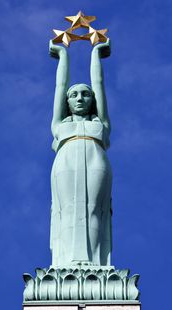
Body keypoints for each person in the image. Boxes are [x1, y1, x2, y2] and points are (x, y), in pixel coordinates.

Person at [49, 39, 112, 267]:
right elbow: (59, 87)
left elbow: (99, 83)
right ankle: (66, 262)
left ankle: (94, 263)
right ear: (67, 101)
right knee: (68, 209)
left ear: (92, 100)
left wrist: (96, 54)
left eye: (85, 95)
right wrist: (62, 56)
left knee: (94, 209)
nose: (79, 99)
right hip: (65, 162)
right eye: (74, 95)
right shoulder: (59, 126)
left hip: (96, 160)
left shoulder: (101, 124)